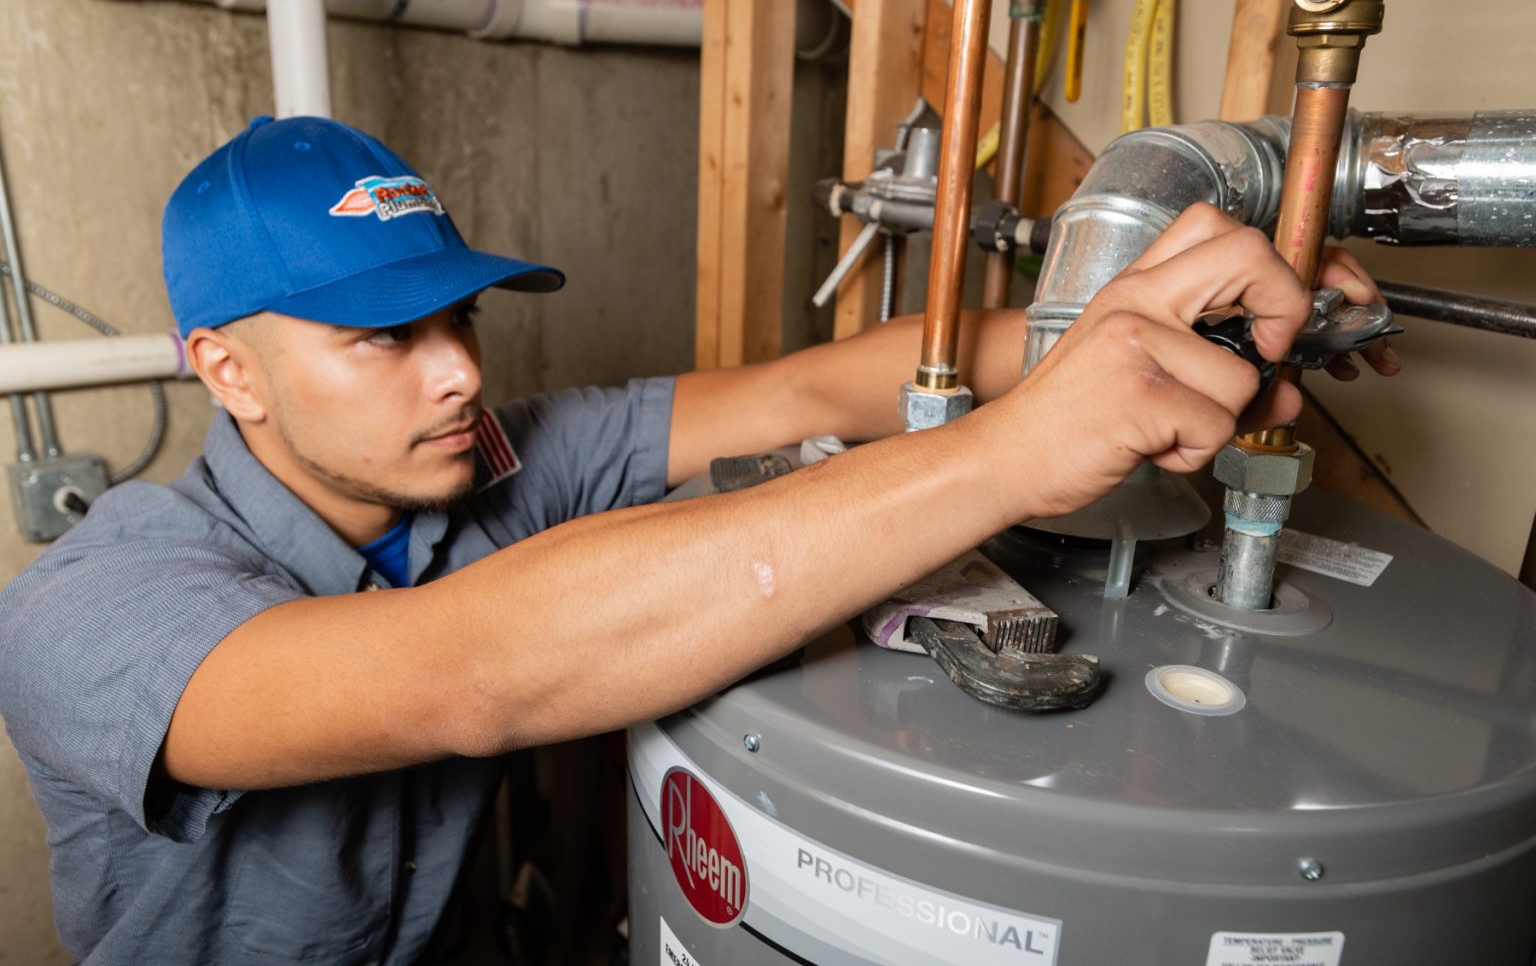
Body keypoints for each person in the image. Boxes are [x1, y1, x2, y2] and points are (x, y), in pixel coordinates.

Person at [0, 115, 1395, 964]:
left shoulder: (486, 466)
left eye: (459, 320)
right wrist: (1010, 456)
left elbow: (805, 389)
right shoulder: (90, 610)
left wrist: (1125, 329)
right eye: (382, 341)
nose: (459, 378)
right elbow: (462, 671)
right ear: (227, 372)